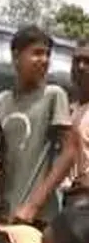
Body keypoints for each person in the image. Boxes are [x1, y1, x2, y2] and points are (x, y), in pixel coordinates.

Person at [0, 25, 71, 226]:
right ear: (16, 57)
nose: (44, 60)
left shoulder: (53, 95)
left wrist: (34, 205)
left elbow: (69, 153)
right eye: (36, 53)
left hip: (38, 216)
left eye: (47, 55)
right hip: (6, 213)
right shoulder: (1, 102)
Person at [43, 40, 89, 209]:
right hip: (70, 199)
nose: (81, 66)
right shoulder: (67, 111)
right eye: (77, 61)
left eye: (87, 61)